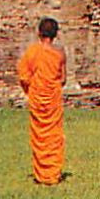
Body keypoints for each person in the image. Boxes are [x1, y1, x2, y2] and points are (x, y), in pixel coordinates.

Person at [16, 16, 66, 185]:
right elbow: (63, 79)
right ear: (55, 35)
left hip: (38, 98)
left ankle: (41, 175)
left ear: (39, 33)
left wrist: (33, 87)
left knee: (40, 136)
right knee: (53, 136)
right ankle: (52, 174)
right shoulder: (59, 54)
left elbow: (23, 75)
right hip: (52, 99)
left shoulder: (31, 52)